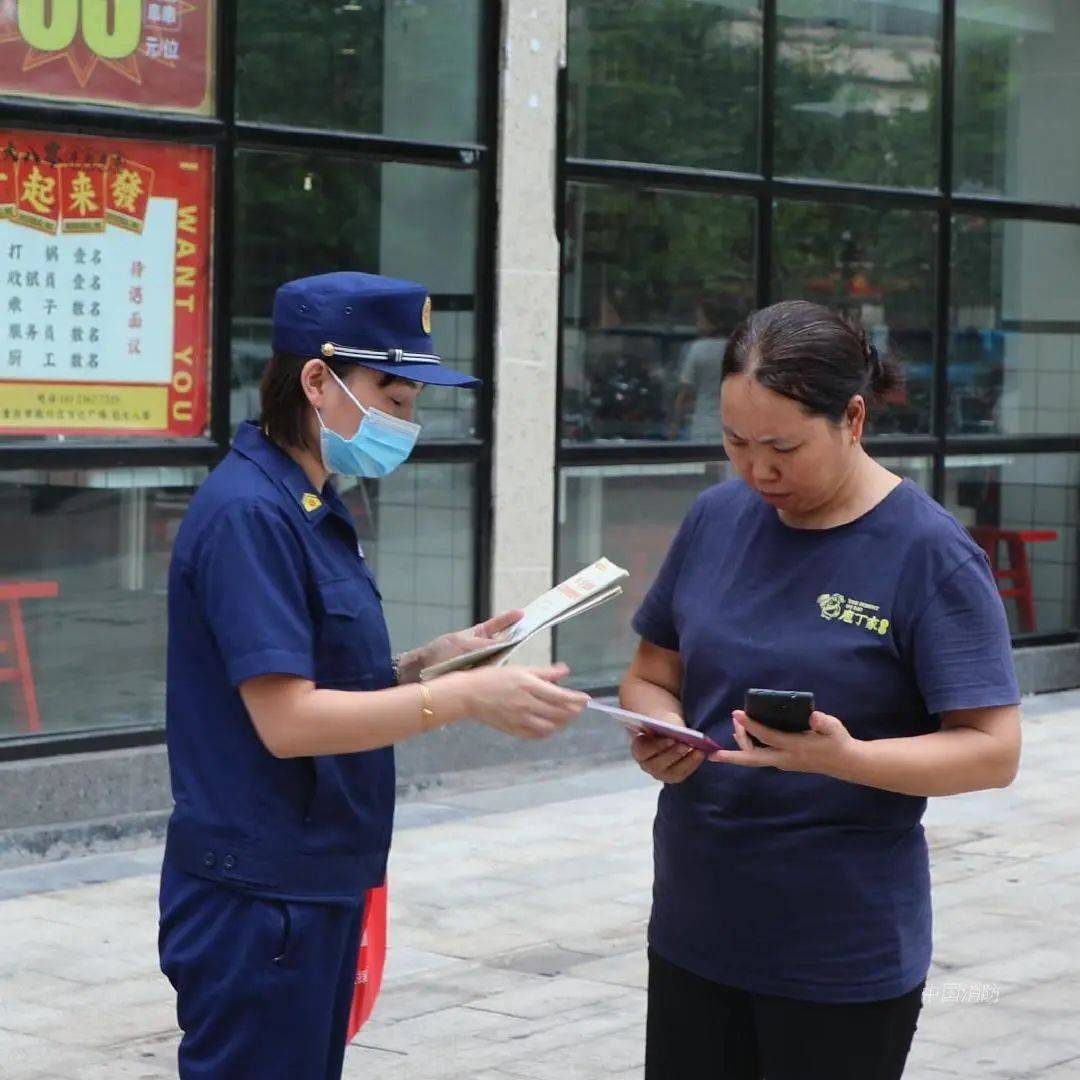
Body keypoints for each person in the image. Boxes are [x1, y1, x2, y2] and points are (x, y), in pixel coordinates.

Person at [158, 271, 588, 1080]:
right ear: (316, 380)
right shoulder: (251, 513)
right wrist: (458, 697)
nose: (407, 422)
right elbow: (286, 722)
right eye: (392, 398)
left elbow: (314, 671)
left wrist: (428, 662)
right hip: (259, 895)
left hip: (311, 874)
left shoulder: (312, 503)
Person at [621, 299, 1022, 1080]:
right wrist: (660, 726)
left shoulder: (929, 556)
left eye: (784, 447)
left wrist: (844, 758)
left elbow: (992, 751)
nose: (758, 469)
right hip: (695, 924)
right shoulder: (716, 518)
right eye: (736, 441)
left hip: (838, 951)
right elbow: (651, 671)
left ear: (854, 418)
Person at [669, 296, 729, 442]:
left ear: (712, 322)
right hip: (730, 428)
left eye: (700, 319)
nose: (697, 324)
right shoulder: (735, 349)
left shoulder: (697, 349)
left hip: (703, 428)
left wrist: (674, 425)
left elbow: (684, 392)